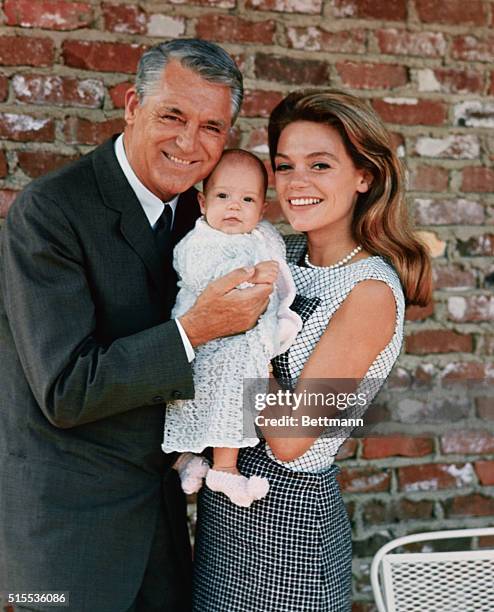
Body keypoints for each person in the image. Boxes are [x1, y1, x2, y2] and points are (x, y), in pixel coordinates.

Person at [0, 39, 276, 612]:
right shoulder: (52, 211)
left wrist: (315, 412)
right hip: (67, 536)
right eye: (172, 115)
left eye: (211, 127)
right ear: (131, 106)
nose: (189, 142)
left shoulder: (216, 220)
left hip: (213, 527)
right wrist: (200, 330)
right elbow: (65, 389)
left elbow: (317, 409)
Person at [192, 89, 432, 611]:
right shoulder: (282, 251)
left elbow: (293, 439)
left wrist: (240, 331)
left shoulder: (368, 292)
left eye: (320, 165)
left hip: (291, 526)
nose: (296, 183)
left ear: (363, 176)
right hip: (227, 509)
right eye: (285, 166)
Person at [163, 149, 302, 507]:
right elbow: (213, 282)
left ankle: (192, 462)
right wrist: (256, 276)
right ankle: (222, 467)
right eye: (223, 196)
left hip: (246, 339)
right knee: (220, 398)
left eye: (247, 199)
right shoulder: (200, 243)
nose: (234, 207)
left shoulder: (263, 235)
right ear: (202, 201)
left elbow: (276, 258)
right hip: (210, 340)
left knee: (234, 394)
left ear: (262, 209)